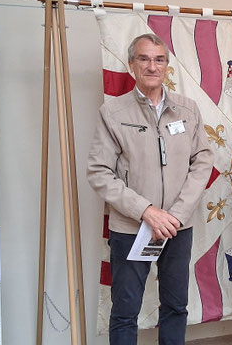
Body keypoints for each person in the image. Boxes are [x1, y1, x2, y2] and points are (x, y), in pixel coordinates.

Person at [87, 33, 214, 345]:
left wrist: (176, 215)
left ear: (167, 66)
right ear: (132, 64)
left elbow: (203, 161)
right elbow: (99, 172)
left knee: (175, 306)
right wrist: (146, 211)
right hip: (132, 229)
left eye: (159, 59)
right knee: (125, 311)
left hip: (177, 228)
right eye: (144, 59)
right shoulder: (113, 113)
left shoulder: (188, 109)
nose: (152, 66)